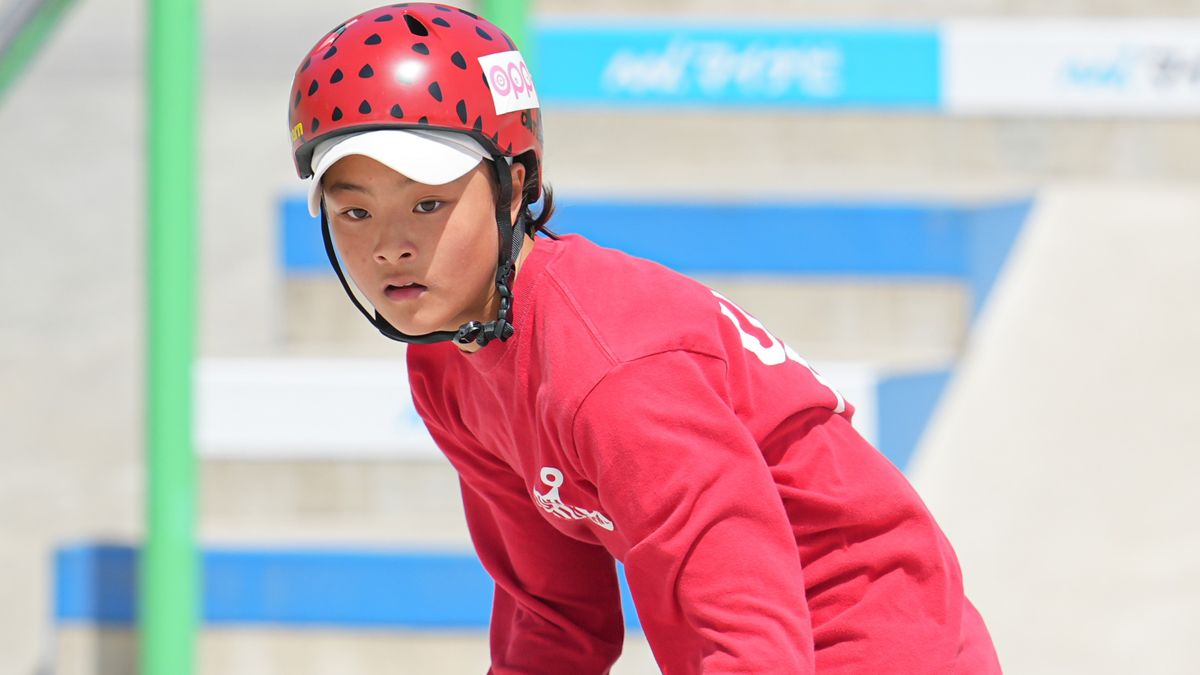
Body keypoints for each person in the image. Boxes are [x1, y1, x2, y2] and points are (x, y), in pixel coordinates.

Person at [287, 3, 1002, 673]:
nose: (389, 246)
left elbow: (752, 633)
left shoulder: (614, 369)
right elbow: (555, 619)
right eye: (354, 213)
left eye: (428, 202)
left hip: (873, 641)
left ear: (515, 185)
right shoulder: (446, 362)